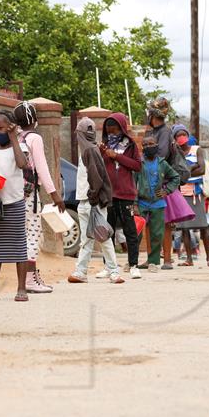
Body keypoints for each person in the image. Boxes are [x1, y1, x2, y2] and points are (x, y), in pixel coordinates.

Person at [13, 101, 65, 293]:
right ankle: (29, 280)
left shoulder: (15, 137)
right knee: (33, 236)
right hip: (30, 196)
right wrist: (55, 195)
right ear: (35, 120)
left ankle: (27, 279)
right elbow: (42, 168)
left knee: (22, 237)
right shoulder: (34, 138)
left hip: (14, 194)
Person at [0, 110, 30, 303]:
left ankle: (21, 288)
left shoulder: (20, 147)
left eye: (0, 127)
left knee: (19, 247)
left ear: (11, 127)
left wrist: (13, 138)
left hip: (15, 203)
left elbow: (21, 163)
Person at [68, 118, 123, 284]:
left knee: (103, 237)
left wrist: (92, 198)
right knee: (87, 239)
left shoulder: (90, 151)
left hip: (93, 203)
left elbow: (96, 179)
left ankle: (114, 272)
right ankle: (81, 272)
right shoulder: (88, 150)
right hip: (86, 202)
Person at [101, 113, 142, 277]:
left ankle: (133, 265)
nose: (111, 131)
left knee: (130, 230)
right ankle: (109, 267)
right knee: (108, 231)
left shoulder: (130, 145)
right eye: (109, 128)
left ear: (122, 128)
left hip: (126, 194)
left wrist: (116, 156)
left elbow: (137, 166)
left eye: (115, 128)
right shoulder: (103, 145)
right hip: (109, 194)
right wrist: (104, 154)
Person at [134, 136, 180, 273]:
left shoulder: (162, 163)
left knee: (157, 233)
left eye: (151, 144)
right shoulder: (138, 163)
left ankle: (153, 262)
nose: (149, 146)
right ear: (142, 147)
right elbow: (132, 183)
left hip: (158, 203)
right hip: (141, 202)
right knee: (135, 232)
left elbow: (175, 177)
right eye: (145, 144)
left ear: (156, 145)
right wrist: (135, 203)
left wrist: (167, 191)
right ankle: (133, 261)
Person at [172, 124, 209, 267]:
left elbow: (202, 169)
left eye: (183, 134)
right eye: (178, 135)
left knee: (203, 226)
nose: (181, 137)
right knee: (184, 228)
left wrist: (186, 171)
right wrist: (192, 169)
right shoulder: (175, 153)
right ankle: (189, 259)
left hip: (196, 194)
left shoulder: (197, 150)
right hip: (181, 193)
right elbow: (174, 173)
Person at [143, 97, 175, 270]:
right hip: (149, 181)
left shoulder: (164, 132)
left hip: (162, 183)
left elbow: (160, 155)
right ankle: (151, 259)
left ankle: (168, 259)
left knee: (165, 223)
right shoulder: (152, 132)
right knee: (149, 222)